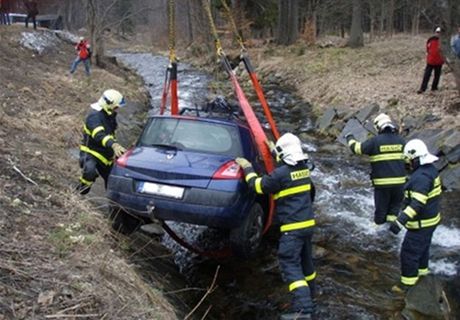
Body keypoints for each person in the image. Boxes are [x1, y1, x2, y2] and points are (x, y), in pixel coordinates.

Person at [235, 133, 316, 320]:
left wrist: (247, 168)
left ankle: (303, 311)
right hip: (308, 225)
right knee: (306, 264)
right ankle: (311, 298)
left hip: (292, 228)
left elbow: (258, 186)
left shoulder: (280, 175)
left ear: (284, 154)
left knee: (289, 262)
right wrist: (274, 150)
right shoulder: (305, 169)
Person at [388, 139, 441, 293]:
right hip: (430, 221)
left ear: (416, 158)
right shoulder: (430, 170)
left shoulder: (421, 178)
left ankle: (407, 285)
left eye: (409, 161)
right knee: (422, 249)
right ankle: (423, 276)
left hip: (421, 224)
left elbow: (417, 203)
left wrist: (400, 221)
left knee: (409, 253)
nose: (408, 164)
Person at [345, 113, 406, 225]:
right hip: (400, 185)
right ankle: (390, 231)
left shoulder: (375, 141)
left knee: (381, 212)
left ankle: (379, 232)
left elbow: (357, 149)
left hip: (383, 185)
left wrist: (349, 138)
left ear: (378, 127)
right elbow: (408, 161)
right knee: (393, 211)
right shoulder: (401, 141)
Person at [76, 89, 127, 195]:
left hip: (106, 156)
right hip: (91, 152)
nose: (117, 109)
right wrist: (113, 145)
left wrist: (117, 149)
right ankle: (80, 192)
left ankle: (113, 204)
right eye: (116, 107)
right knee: (89, 171)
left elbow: (110, 134)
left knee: (112, 182)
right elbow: (99, 135)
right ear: (109, 105)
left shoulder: (109, 116)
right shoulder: (94, 117)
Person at [417, 27, 445, 93]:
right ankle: (423, 88)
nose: (438, 34)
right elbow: (427, 48)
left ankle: (434, 88)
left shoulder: (444, 41)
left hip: (439, 61)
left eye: (440, 33)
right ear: (435, 32)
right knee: (426, 75)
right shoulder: (430, 40)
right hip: (430, 61)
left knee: (437, 76)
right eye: (437, 32)